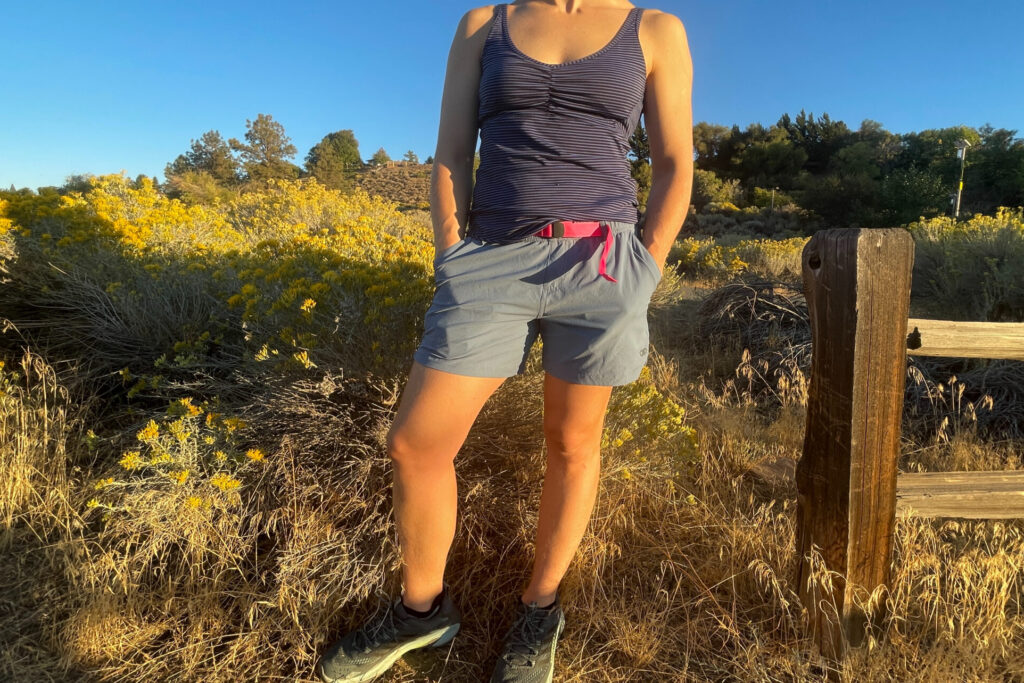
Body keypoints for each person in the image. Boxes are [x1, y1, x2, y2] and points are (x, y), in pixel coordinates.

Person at [317, 1, 692, 681]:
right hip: (490, 256)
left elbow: (673, 161)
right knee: (416, 442)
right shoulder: (483, 24)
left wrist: (648, 263)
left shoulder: (655, 29)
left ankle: (539, 609)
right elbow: (453, 150)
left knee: (572, 443)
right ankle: (421, 609)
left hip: (603, 263)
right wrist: (452, 254)